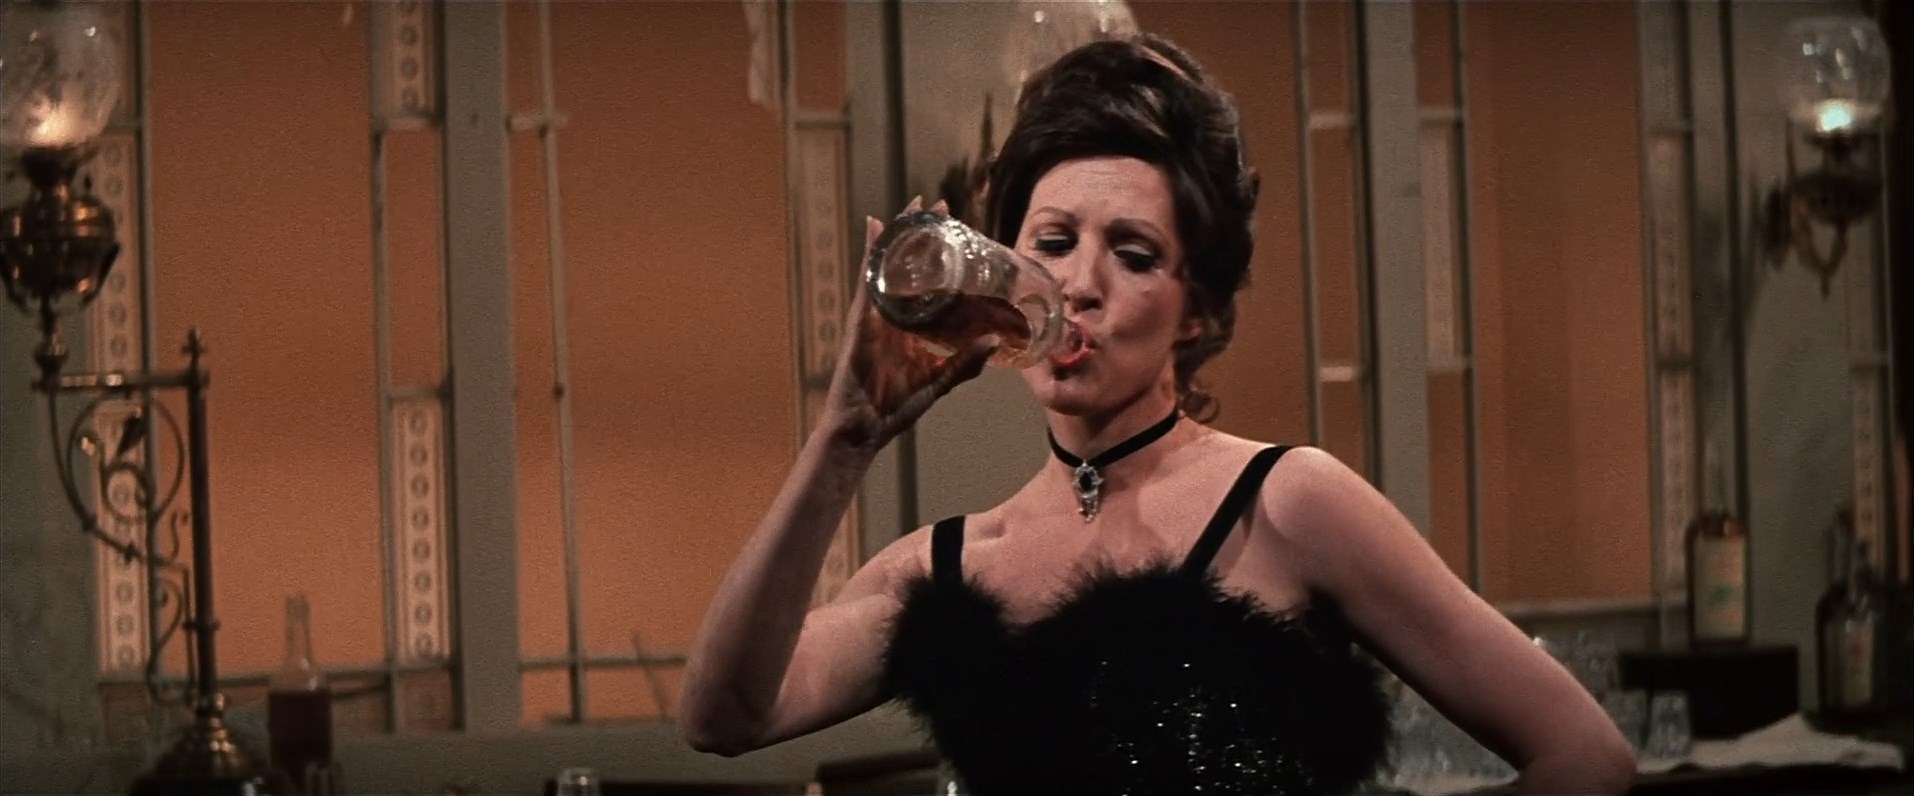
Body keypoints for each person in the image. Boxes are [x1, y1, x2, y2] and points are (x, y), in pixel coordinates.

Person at [682, 33, 1636, 796]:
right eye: (1053, 241)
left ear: (1198, 313)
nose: (1080, 284)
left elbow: (1585, 756)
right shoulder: (946, 568)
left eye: (1134, 255)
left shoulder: (1288, 502)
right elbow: (722, 718)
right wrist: (843, 442)